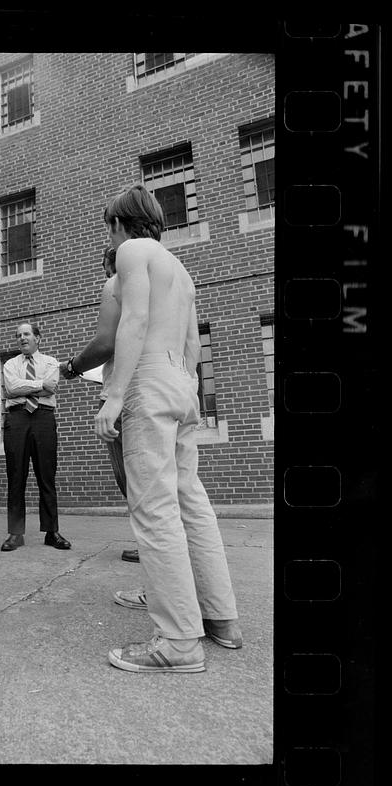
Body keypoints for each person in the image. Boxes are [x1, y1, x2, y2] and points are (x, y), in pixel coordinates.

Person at [95, 183, 241, 674]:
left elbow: (133, 320)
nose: (110, 237)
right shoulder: (181, 270)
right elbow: (194, 345)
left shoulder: (132, 252)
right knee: (191, 502)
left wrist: (114, 396)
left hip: (149, 379)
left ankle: (178, 641)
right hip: (181, 380)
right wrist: (192, 394)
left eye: (109, 226)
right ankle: (221, 617)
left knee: (154, 508)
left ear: (120, 223)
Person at [59, 246, 138, 563]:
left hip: (125, 400)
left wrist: (72, 367)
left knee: (131, 479)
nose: (108, 280)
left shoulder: (120, 292)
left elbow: (104, 344)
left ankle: (155, 548)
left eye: (109, 273)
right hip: (160, 391)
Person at [0, 322, 71, 552]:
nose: (22, 338)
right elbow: (11, 388)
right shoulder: (10, 364)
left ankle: (52, 532)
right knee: (16, 476)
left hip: (43, 418)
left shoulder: (51, 362)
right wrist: (40, 384)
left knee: (46, 475)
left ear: (37, 338)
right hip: (17, 419)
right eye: (19, 335)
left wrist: (29, 387)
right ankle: (15, 533)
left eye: (27, 334)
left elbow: (53, 387)